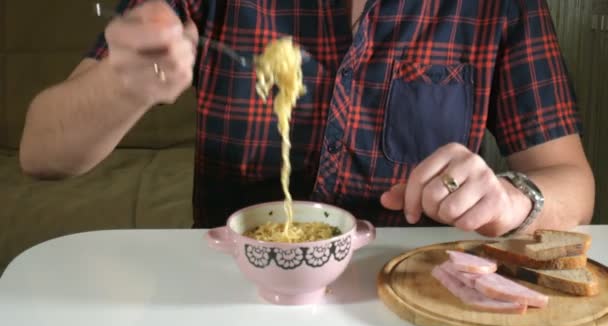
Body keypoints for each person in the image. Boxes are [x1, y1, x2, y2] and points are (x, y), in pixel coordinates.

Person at [19, 0, 595, 237]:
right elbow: (41, 152)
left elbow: (570, 178)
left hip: (407, 298)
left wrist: (513, 200)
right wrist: (123, 84)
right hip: (237, 300)